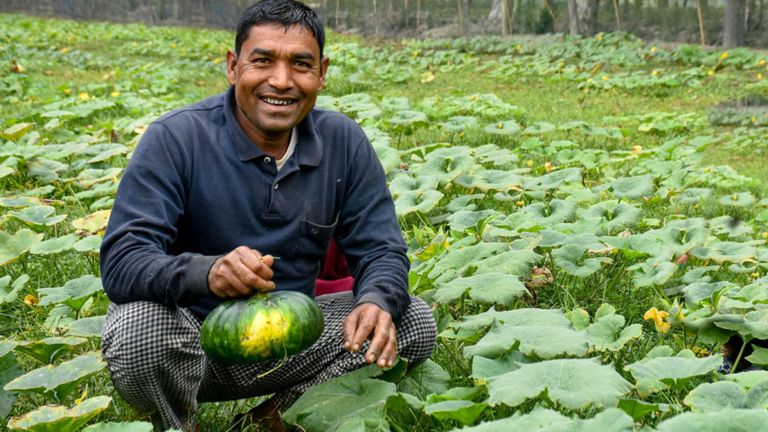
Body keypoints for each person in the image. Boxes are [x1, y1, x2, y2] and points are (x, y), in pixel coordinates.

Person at [98, 1, 437, 430]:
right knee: (136, 328)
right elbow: (123, 260)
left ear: (322, 73)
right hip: (192, 344)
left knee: (411, 320)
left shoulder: (343, 142)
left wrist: (377, 300)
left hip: (295, 336)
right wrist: (208, 272)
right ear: (233, 67)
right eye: (262, 61)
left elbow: (382, 247)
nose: (281, 80)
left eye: (300, 64)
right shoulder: (176, 139)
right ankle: (180, 422)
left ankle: (278, 417)